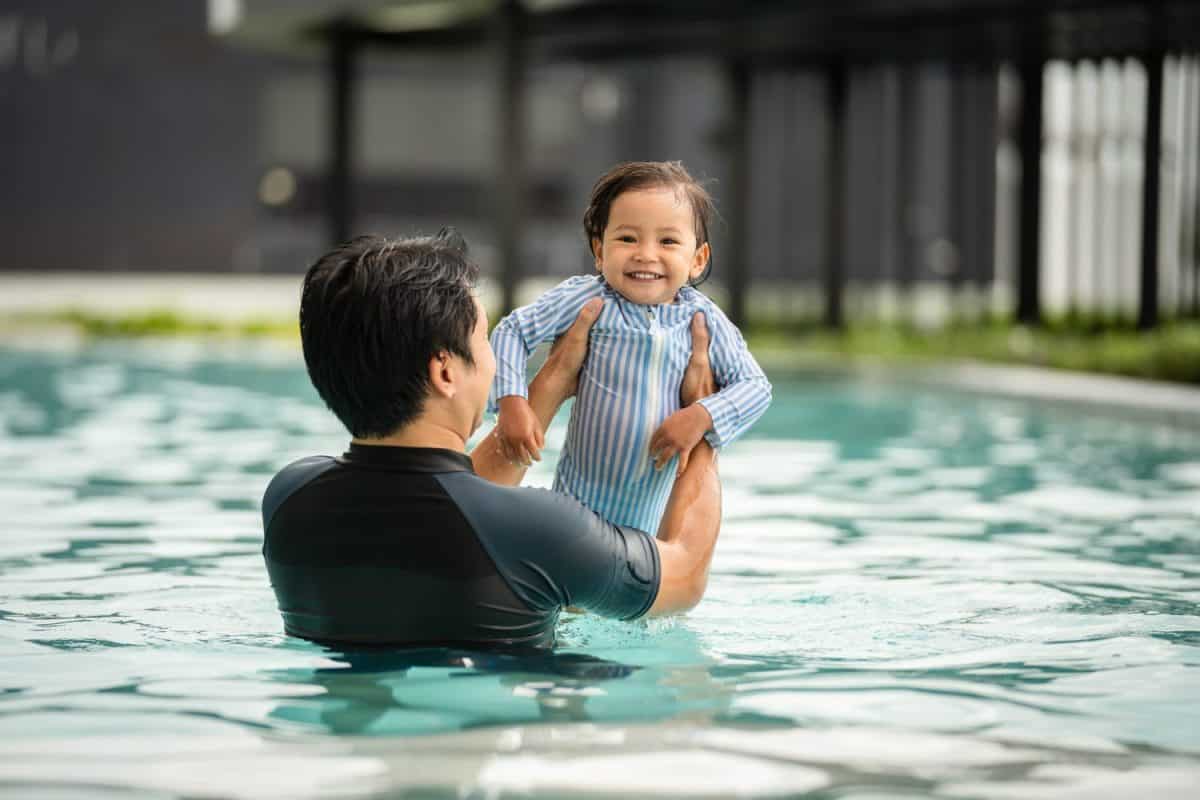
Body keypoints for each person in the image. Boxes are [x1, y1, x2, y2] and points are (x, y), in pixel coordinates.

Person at [261, 228, 722, 649]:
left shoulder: (289, 498)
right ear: (444, 371)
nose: (497, 365)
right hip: (486, 732)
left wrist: (551, 384)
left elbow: (454, 517)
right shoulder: (544, 528)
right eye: (485, 342)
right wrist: (703, 420)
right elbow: (685, 575)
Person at [490, 161, 771, 534]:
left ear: (697, 260)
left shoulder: (701, 319)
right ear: (599, 251)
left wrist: (701, 416)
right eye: (627, 239)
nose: (646, 254)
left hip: (647, 530)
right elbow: (512, 330)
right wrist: (511, 401)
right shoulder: (589, 299)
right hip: (573, 514)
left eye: (668, 241)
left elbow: (755, 386)